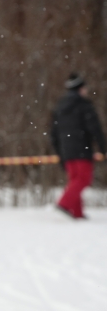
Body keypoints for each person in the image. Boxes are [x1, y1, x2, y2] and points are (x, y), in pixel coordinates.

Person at [50, 73, 106, 219]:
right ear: (80, 89)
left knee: (74, 180)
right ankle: (64, 203)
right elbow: (95, 129)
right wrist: (103, 148)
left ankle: (77, 213)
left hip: (66, 151)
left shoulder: (60, 107)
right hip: (82, 149)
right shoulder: (84, 105)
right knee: (83, 180)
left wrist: (60, 153)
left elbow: (54, 133)